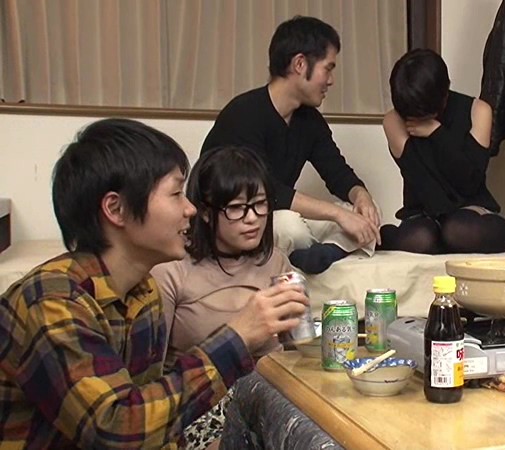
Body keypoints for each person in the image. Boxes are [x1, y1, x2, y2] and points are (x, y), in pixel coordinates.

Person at [0, 118, 308, 448]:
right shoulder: (52, 302)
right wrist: (238, 336)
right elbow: (117, 430)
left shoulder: (141, 291)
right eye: (176, 193)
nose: (190, 209)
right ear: (116, 209)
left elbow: (156, 420)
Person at [202, 16, 380, 274]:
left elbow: (337, 172)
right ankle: (320, 251)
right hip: (241, 216)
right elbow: (266, 190)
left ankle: (323, 254)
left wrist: (361, 196)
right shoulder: (243, 114)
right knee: (291, 227)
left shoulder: (309, 120)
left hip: (277, 213)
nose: (331, 80)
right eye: (328, 68)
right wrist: (337, 215)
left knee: (368, 215)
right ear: (300, 64)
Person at [151, 146, 292, 449]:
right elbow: (151, 378)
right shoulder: (171, 270)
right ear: (205, 212)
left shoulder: (276, 261)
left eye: (260, 205)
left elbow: (295, 349)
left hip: (269, 396)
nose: (252, 219)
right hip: (200, 404)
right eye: (237, 208)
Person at [380, 48, 505, 254]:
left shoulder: (478, 111)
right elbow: (423, 183)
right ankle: (385, 236)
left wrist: (437, 133)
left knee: (458, 231)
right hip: (422, 211)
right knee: (422, 239)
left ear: (445, 92)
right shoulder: (394, 120)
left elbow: (469, 182)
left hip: (468, 207)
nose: (412, 117)